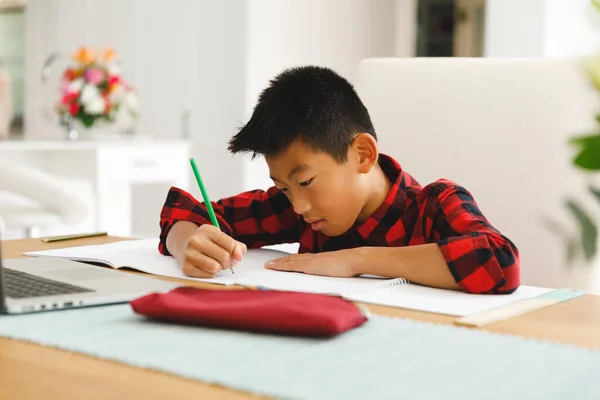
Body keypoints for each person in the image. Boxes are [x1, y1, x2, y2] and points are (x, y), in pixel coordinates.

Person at [159, 66, 520, 294]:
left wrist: (356, 260)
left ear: (362, 155)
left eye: (306, 181)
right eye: (284, 187)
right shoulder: (299, 208)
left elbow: (498, 260)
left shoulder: (434, 204)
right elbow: (187, 211)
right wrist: (186, 246)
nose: (297, 205)